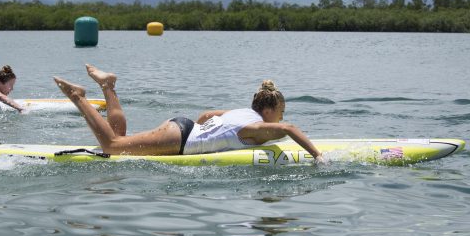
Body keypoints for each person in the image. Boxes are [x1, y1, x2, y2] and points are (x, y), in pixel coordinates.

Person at [53, 64, 324, 162]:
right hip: (181, 140)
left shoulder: (241, 113)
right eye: (281, 111)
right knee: (112, 146)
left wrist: (206, 133)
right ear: (268, 110)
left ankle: (107, 86)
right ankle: (78, 97)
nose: (281, 117)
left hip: (183, 128)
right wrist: (318, 156)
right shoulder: (257, 128)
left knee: (119, 137)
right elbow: (289, 129)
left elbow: (207, 115)